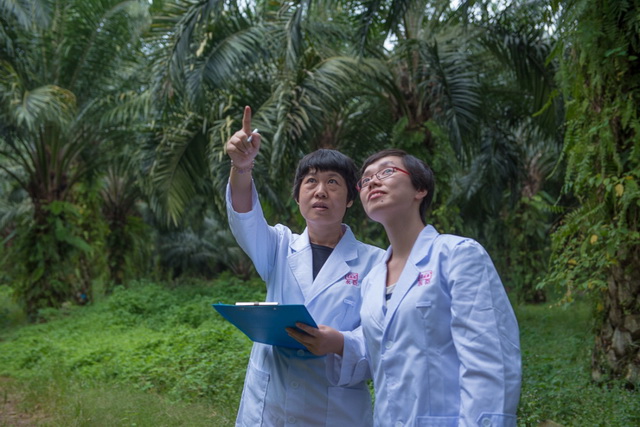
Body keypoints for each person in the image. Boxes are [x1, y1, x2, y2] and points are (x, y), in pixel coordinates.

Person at [306, 148, 522, 426]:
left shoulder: (457, 255)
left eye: (386, 171)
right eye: (365, 179)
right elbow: (384, 351)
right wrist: (337, 342)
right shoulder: (372, 279)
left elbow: (490, 362)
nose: (373, 181)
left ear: (420, 189)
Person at [224, 105, 385, 427]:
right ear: (297, 196)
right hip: (270, 403)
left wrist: (339, 343)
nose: (320, 191)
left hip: (334, 410)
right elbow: (245, 217)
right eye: (311, 181)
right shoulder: (279, 245)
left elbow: (383, 336)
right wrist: (241, 167)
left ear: (350, 199)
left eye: (333, 182)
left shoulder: (377, 262)